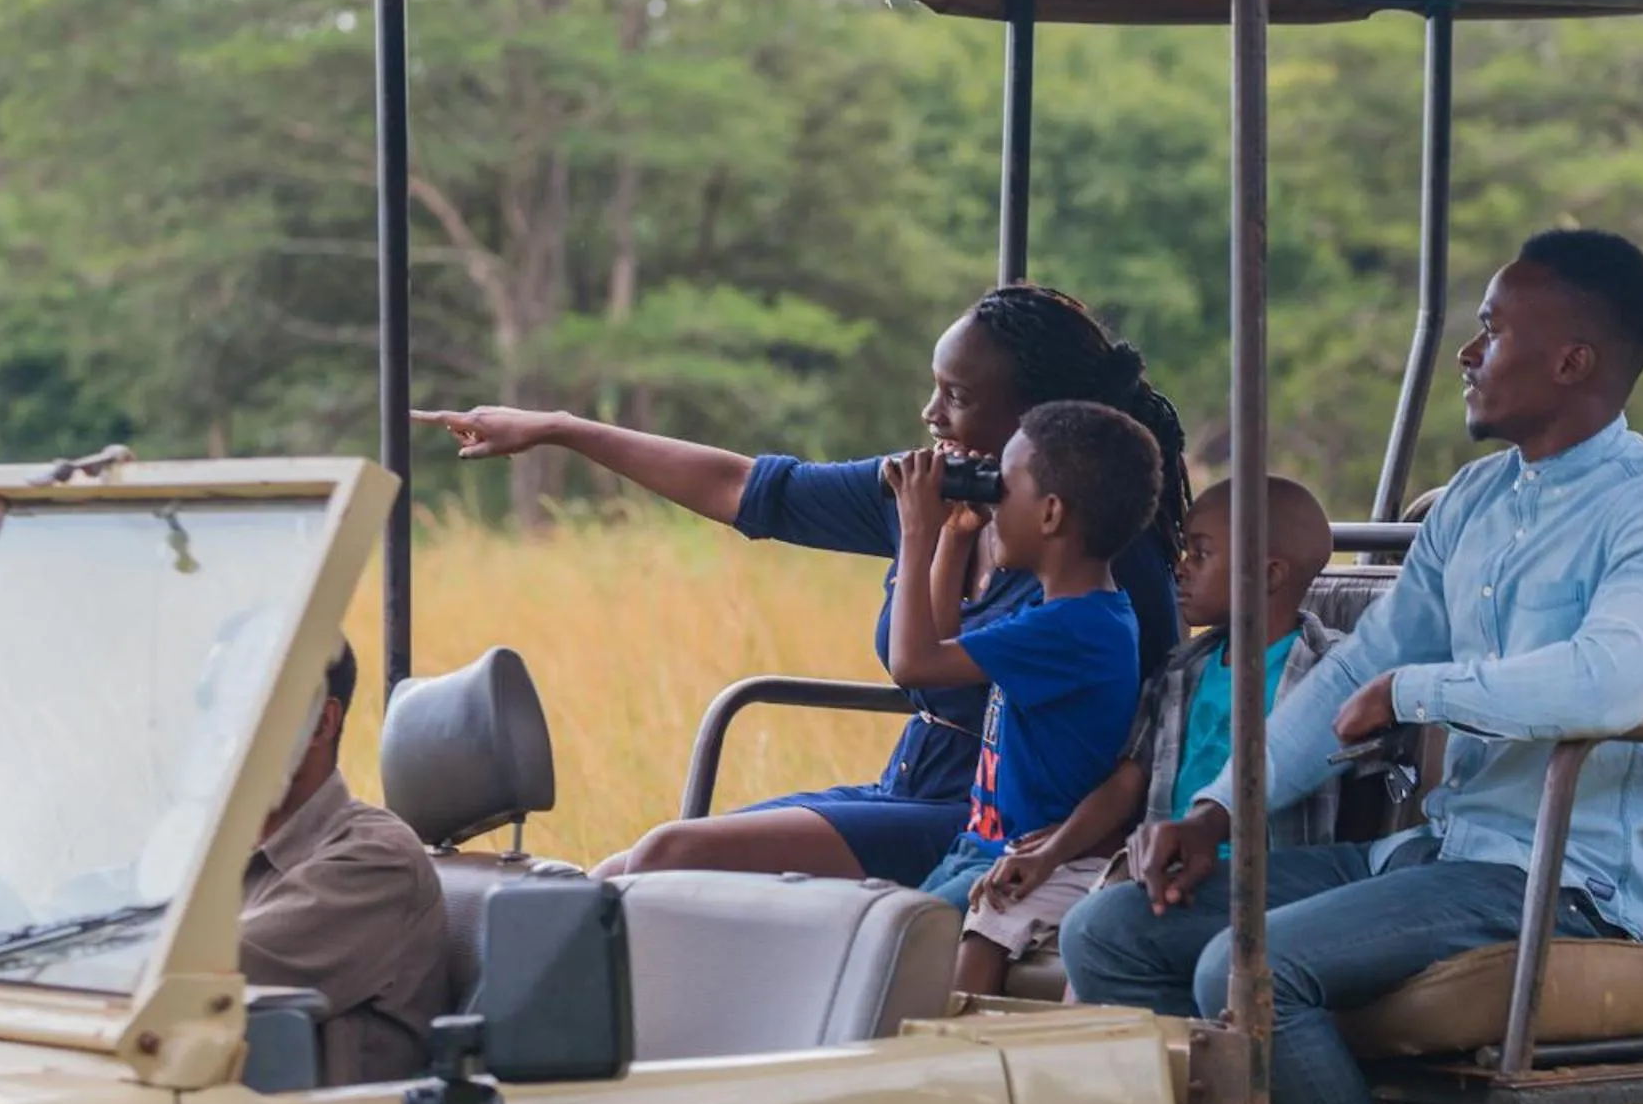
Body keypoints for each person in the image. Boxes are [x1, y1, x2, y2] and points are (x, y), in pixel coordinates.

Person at [1061, 230, 1643, 1104]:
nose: (1469, 352)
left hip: (1552, 876)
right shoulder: (1476, 500)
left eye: (1494, 328)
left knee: (1250, 966)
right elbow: (1355, 669)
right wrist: (1217, 811)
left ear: (1575, 358)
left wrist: (1424, 694)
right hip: (1429, 854)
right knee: (1116, 932)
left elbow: (1606, 680)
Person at [415, 284, 1190, 888]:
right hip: (905, 785)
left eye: (956, 396)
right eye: (934, 389)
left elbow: (1145, 744)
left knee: (667, 856)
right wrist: (560, 428)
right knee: (619, 871)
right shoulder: (938, 494)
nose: (930, 414)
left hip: (990, 820)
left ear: (1038, 418)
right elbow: (747, 489)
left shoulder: (1099, 559)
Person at [969, 476, 1341, 973]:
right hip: (1148, 861)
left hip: (1256, 878)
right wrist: (1051, 853)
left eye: (1201, 555)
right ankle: (953, 1046)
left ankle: (1094, 1043)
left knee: (1105, 938)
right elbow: (1129, 780)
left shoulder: (1326, 673)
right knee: (992, 911)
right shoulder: (1182, 669)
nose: (1181, 568)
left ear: (1268, 574)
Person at [886, 401, 1160, 995]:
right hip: (978, 844)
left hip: (1011, 859)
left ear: (1052, 513)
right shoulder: (1064, 612)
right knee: (876, 933)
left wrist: (916, 531)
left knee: (884, 945)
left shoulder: (1074, 630)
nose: (991, 504)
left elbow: (912, 661)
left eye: (1003, 488)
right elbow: (934, 656)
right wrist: (955, 538)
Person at [240, 640, 453, 1087]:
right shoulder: (215, 854)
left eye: (244, 700)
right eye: (208, 705)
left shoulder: (375, 862)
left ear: (321, 722)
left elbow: (197, 973)